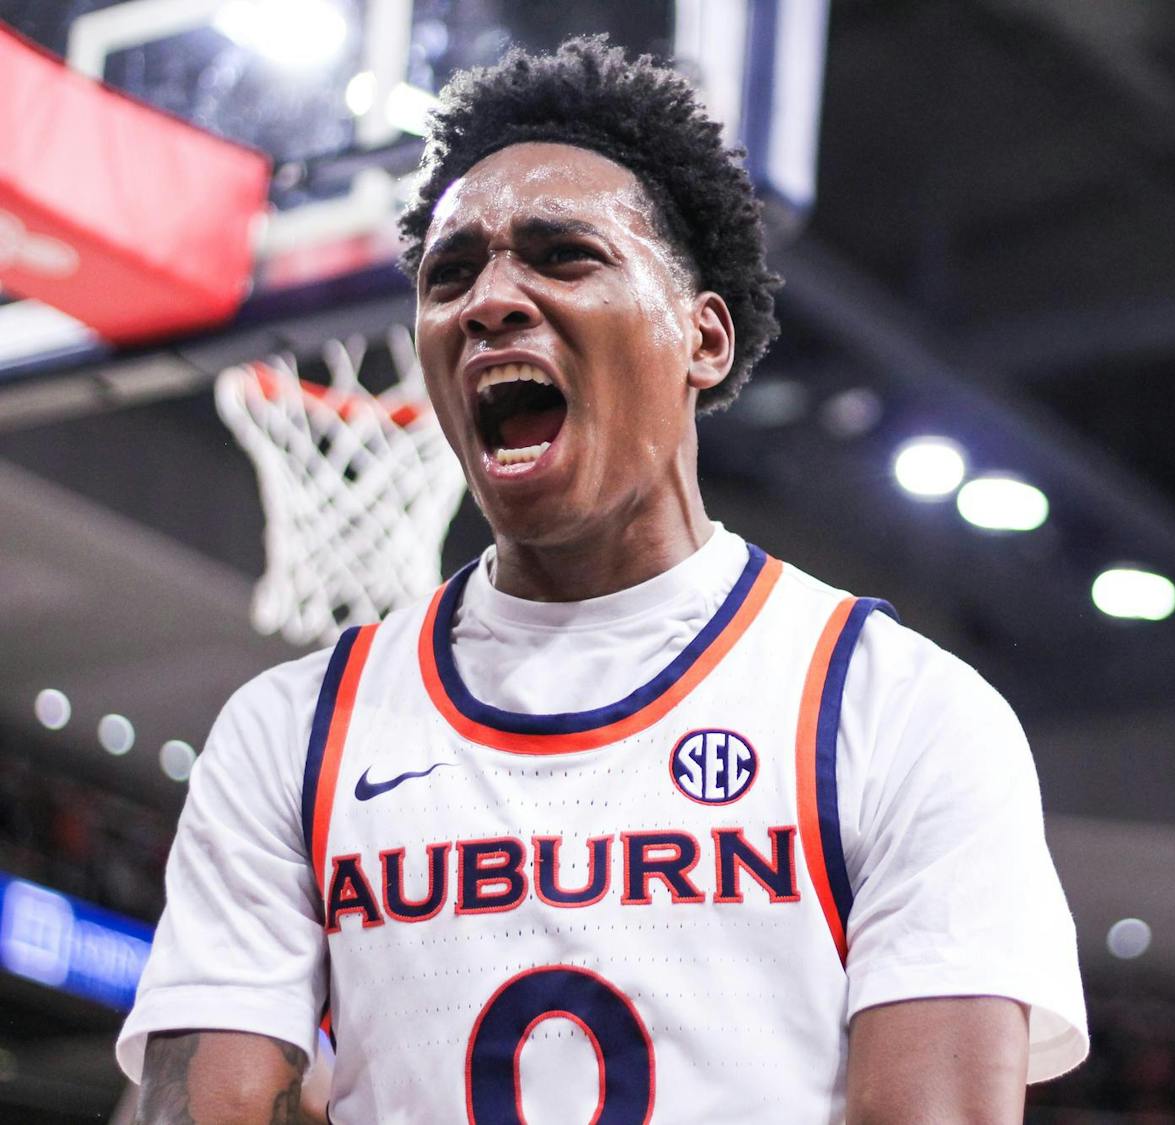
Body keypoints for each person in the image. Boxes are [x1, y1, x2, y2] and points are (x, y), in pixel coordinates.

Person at [118, 36, 1087, 1123]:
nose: (489, 301)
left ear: (703, 338)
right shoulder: (290, 732)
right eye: (450, 275)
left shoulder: (900, 711)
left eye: (563, 256)